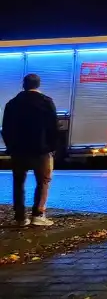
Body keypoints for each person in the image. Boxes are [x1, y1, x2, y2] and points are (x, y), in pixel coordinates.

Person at [2, 74, 59, 227]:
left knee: (18, 182)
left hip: (18, 150)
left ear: (24, 85)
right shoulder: (46, 102)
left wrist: (10, 147)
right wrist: (52, 147)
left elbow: (5, 129)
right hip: (41, 150)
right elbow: (54, 127)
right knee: (43, 181)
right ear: (38, 85)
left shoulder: (12, 104)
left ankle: (20, 217)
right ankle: (38, 215)